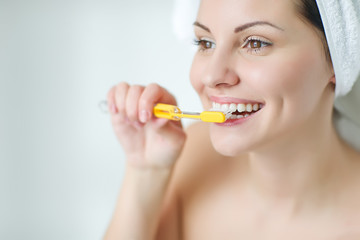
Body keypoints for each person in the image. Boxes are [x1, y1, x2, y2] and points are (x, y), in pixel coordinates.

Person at [104, 0, 360, 239]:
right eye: (205, 43)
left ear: (338, 55)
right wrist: (146, 172)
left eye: (256, 43)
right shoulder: (192, 154)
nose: (212, 76)